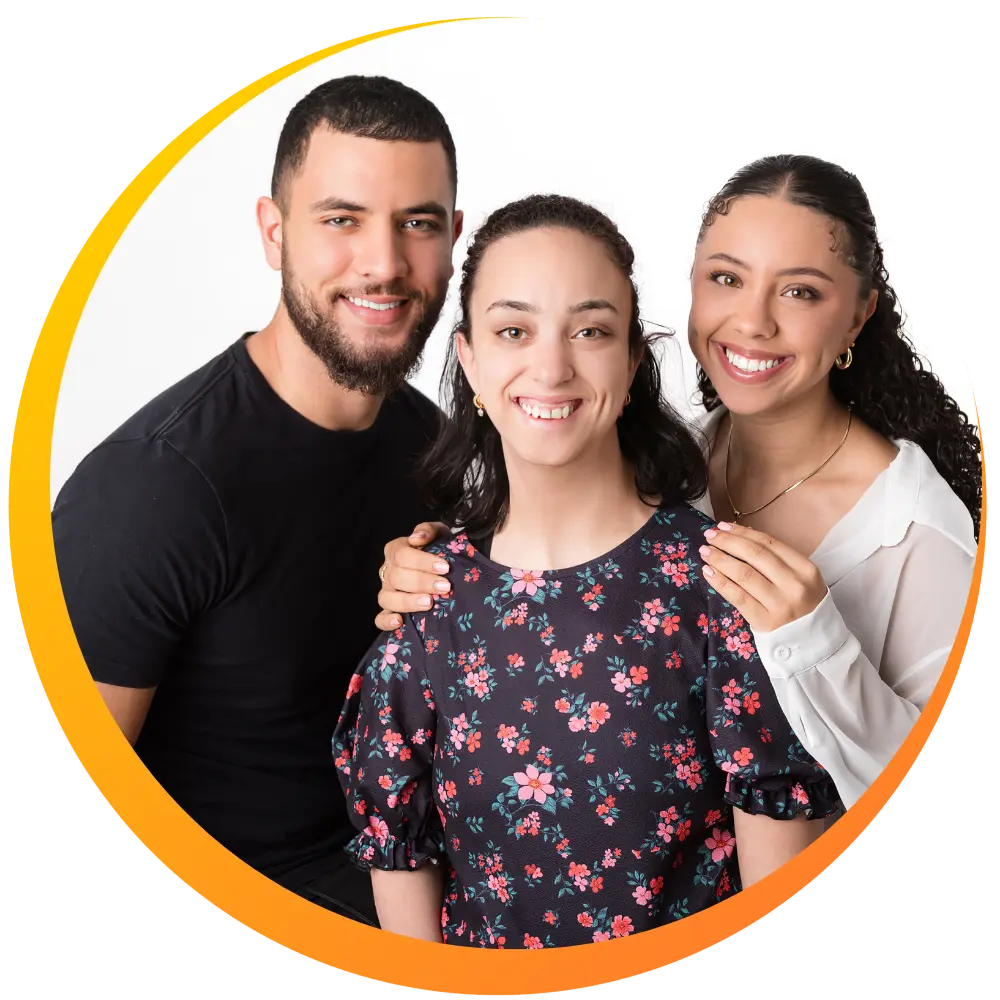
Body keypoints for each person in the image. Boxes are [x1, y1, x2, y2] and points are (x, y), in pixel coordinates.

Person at [371, 155, 982, 813]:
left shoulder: (916, 531)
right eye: (727, 279)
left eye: (800, 291)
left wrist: (817, 641)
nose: (753, 322)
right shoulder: (669, 461)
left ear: (857, 318)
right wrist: (442, 565)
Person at [332, 193, 840, 949]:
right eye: (514, 329)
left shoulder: (722, 592)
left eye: (591, 330)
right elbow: (403, 880)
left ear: (633, 360)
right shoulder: (425, 601)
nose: (551, 366)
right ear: (469, 359)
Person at [50, 75, 465, 924]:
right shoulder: (155, 484)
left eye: (416, 223)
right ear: (275, 234)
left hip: (424, 885)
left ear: (454, 237)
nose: (384, 264)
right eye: (341, 220)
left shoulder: (435, 443)